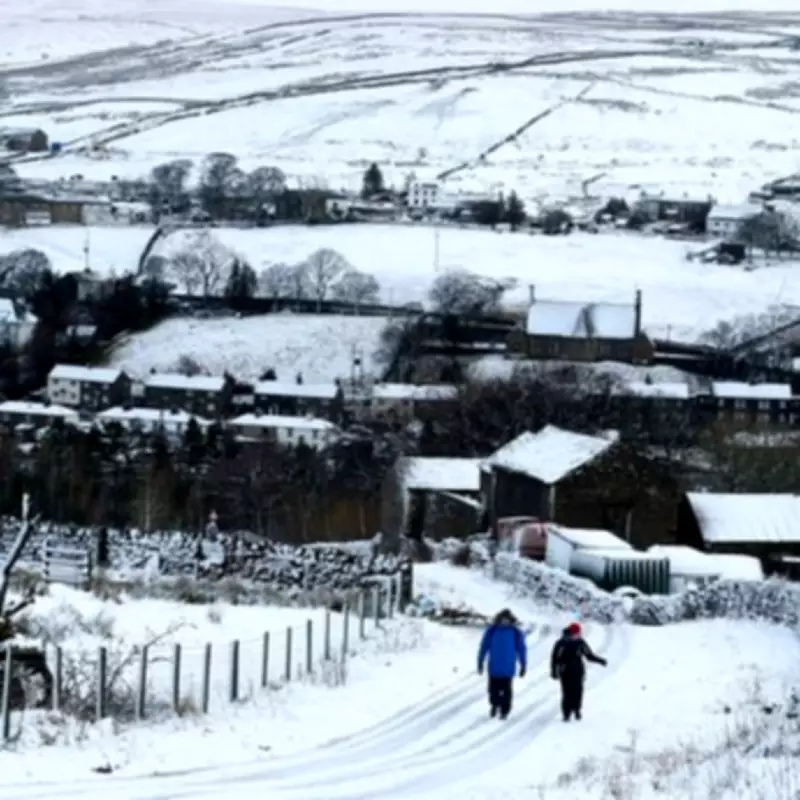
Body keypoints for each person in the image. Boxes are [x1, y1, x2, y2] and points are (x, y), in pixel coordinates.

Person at [551, 622, 607, 722]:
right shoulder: (561, 643)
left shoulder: (580, 643)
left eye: (579, 634)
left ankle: (577, 710)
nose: (578, 635)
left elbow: (589, 655)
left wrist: (600, 660)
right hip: (565, 672)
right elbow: (555, 659)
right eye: (576, 634)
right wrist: (554, 671)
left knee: (578, 692)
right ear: (570, 633)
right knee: (567, 693)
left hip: (578, 671)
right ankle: (566, 713)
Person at [477, 609, 527, 719]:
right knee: (492, 691)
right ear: (498, 619)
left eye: (507, 620)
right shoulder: (492, 631)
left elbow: (521, 650)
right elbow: (483, 647)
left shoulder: (515, 632)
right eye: (503, 619)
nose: (504, 622)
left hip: (507, 669)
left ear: (511, 620)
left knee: (506, 692)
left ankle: (505, 710)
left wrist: (523, 665)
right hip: (494, 668)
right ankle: (494, 705)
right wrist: (480, 661)